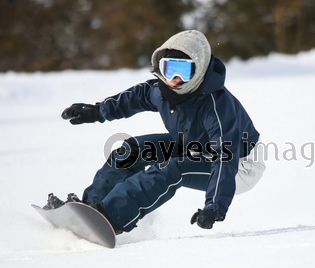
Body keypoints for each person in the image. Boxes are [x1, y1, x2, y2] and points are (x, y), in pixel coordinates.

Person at [45, 30, 265, 233]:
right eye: (170, 69)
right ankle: (89, 207)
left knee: (173, 168)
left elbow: (225, 156)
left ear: (199, 71)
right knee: (133, 149)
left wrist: (215, 205)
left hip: (239, 166)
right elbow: (137, 97)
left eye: (184, 71)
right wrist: (97, 112)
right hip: (194, 145)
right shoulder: (161, 91)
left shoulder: (215, 105)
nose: (175, 79)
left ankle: (111, 217)